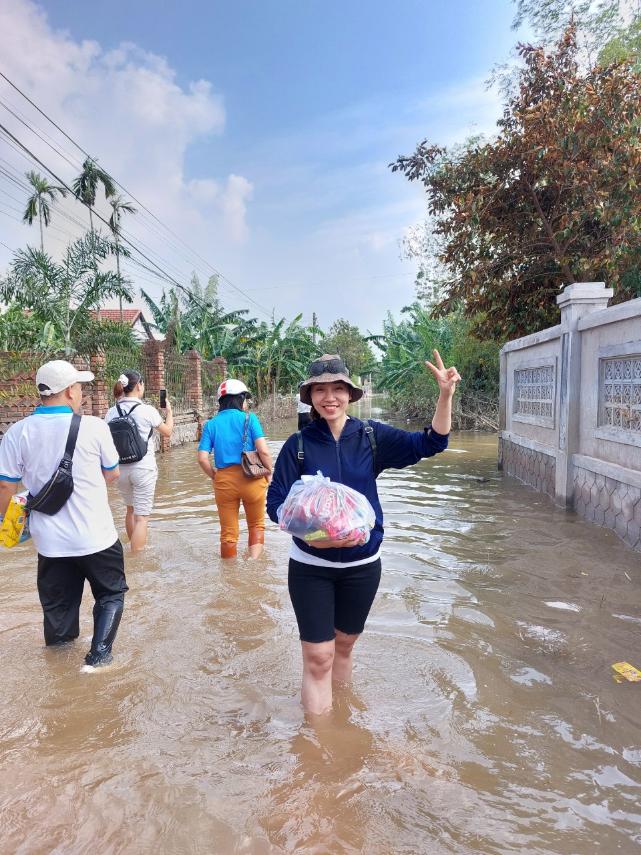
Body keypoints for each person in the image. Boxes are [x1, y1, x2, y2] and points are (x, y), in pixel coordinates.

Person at [266, 351, 461, 714]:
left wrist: (445, 394)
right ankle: (319, 742)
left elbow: (432, 442)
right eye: (320, 390)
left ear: (350, 393)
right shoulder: (299, 446)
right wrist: (316, 537)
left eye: (337, 388)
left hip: (362, 565)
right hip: (311, 566)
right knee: (318, 657)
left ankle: (341, 722)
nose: (329, 397)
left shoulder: (371, 436)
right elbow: (276, 504)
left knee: (343, 646)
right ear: (309, 396)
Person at [0, 359, 127, 668]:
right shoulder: (94, 426)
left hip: (49, 542)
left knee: (58, 608)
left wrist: (11, 527)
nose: (81, 392)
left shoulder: (17, 432)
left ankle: (59, 667)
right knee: (111, 594)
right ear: (70, 391)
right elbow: (112, 474)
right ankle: (98, 659)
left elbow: (6, 487)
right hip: (97, 536)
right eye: (79, 387)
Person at [197, 379, 273, 559]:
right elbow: (263, 450)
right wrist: (269, 472)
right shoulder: (250, 418)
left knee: (228, 533)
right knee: (256, 525)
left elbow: (202, 458)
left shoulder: (211, 424)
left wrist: (214, 475)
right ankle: (253, 564)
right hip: (252, 479)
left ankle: (229, 574)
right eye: (245, 398)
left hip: (224, 481)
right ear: (240, 399)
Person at [105, 370, 173, 552]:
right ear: (138, 386)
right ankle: (138, 558)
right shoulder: (147, 410)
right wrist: (169, 412)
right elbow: (167, 432)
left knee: (130, 510)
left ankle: (131, 548)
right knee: (141, 518)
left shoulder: (111, 412)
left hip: (121, 470)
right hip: (143, 469)